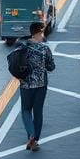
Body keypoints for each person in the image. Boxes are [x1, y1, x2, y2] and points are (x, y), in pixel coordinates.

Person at [19, 22, 55, 151]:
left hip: (25, 84)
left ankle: (31, 135)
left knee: (25, 110)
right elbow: (51, 67)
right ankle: (34, 140)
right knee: (38, 112)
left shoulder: (22, 47)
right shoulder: (44, 49)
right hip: (41, 85)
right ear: (38, 32)